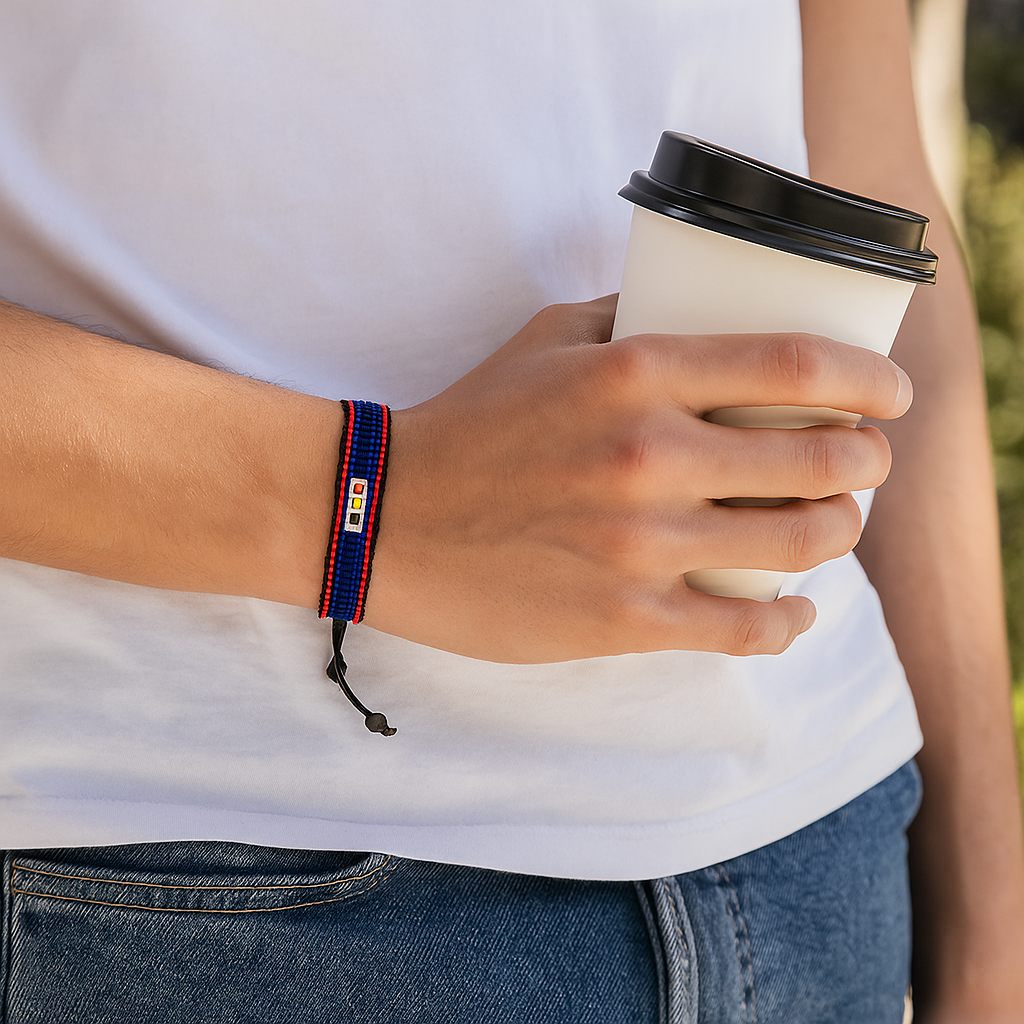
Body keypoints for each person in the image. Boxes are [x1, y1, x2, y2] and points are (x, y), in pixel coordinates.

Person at [1, 0, 1022, 1020]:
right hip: (199, 881)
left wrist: (991, 931)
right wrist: (374, 503)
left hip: (820, 847)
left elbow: (871, 187)